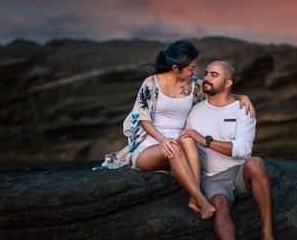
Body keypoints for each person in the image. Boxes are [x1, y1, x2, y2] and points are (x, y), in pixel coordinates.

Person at [98, 41, 255, 221]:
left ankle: (192, 197)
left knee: (187, 138)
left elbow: (218, 93)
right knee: (176, 146)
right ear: (175, 67)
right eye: (191, 68)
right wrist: (163, 140)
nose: (195, 73)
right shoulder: (151, 83)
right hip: (150, 146)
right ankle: (201, 200)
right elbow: (142, 118)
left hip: (179, 143)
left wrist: (242, 97)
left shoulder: (194, 85)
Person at [180, 61, 282, 240]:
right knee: (218, 204)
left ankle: (267, 236)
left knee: (255, 163)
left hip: (239, 173)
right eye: (206, 73)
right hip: (213, 179)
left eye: (213, 75)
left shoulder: (243, 108)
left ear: (227, 83)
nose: (206, 78)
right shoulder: (195, 111)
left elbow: (243, 150)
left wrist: (204, 140)